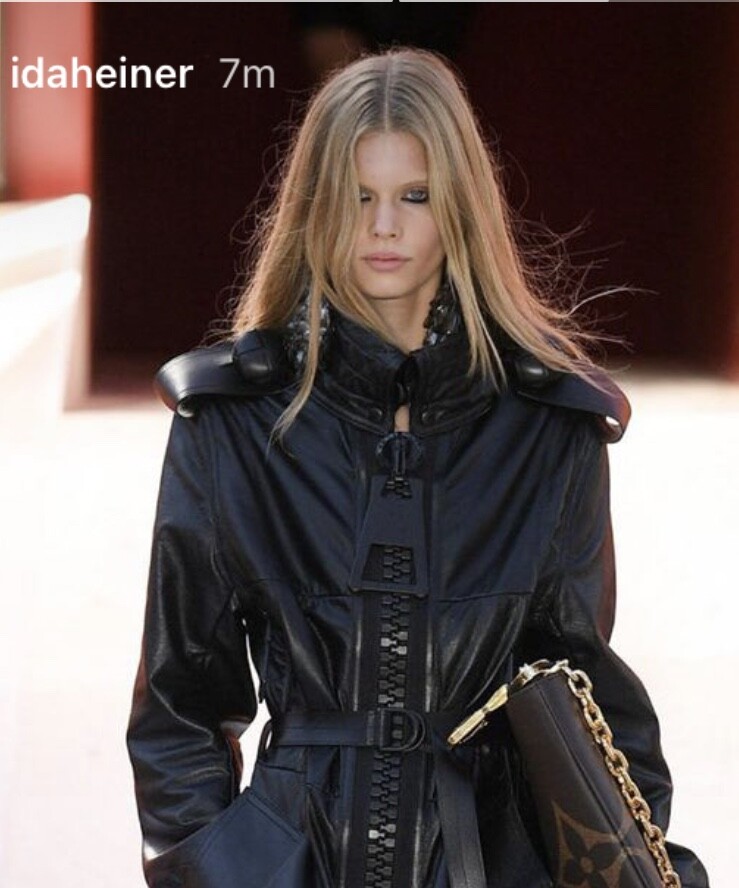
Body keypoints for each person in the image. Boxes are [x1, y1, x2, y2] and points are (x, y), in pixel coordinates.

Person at [126, 47, 709, 888]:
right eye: (356, 196)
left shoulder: (549, 429)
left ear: (459, 206)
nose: (383, 228)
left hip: (486, 862)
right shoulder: (232, 421)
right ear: (314, 207)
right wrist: (214, 870)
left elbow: (585, 695)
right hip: (290, 865)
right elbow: (180, 700)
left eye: (414, 196)